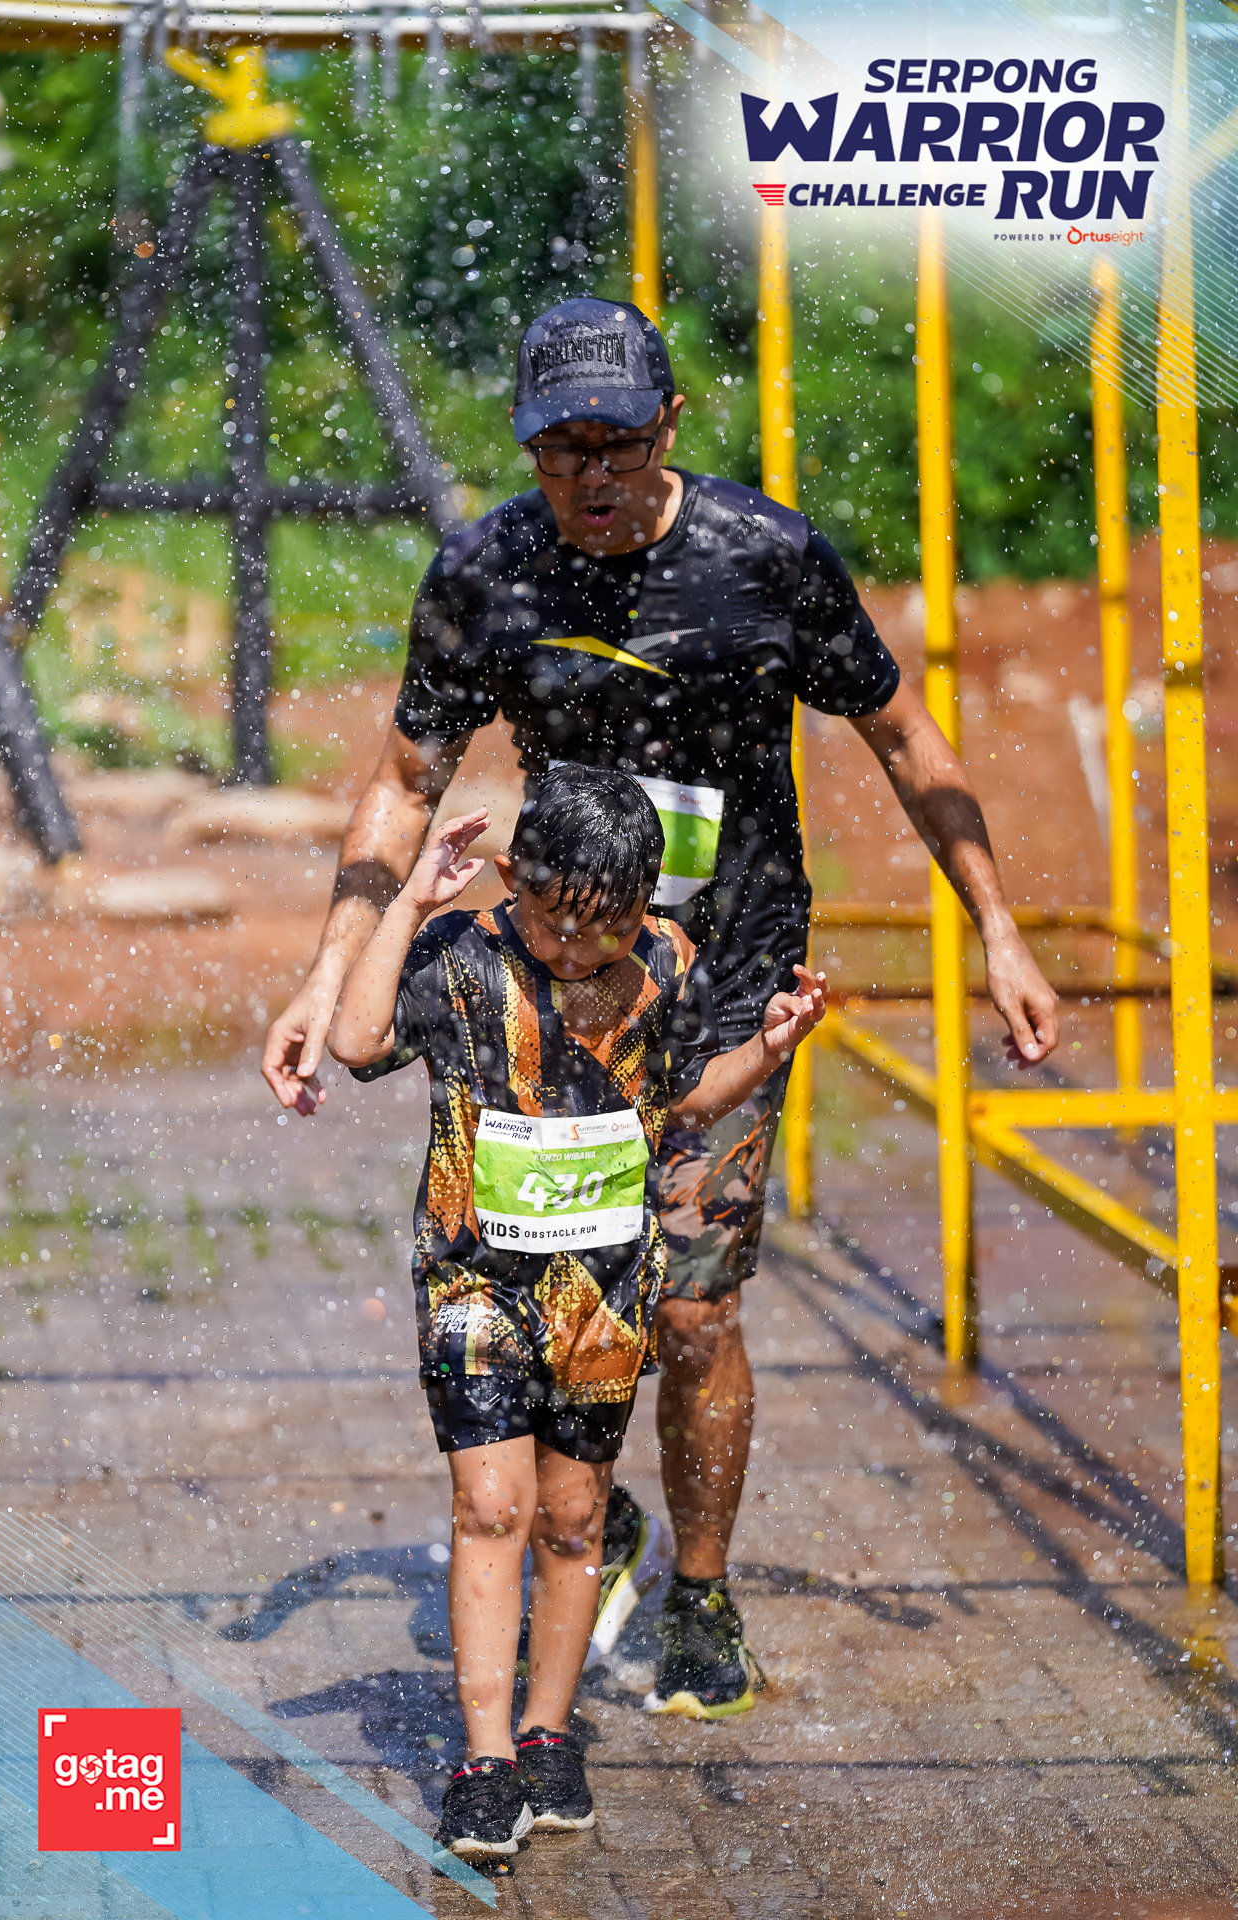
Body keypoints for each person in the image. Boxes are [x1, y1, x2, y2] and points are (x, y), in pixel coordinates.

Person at [264, 296, 1059, 1720]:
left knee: (691, 1309)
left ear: (671, 423)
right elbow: (404, 781)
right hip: (551, 982)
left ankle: (699, 1592)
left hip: (726, 979)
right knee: (534, 1281)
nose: (592, 476)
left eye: (618, 444)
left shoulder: (766, 559)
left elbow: (902, 735)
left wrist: (996, 928)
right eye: (560, 449)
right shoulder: (489, 573)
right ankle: (591, 1514)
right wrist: (326, 973)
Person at [327, 766, 826, 1857]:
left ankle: (549, 1737)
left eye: (603, 932)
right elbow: (356, 1044)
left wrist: (768, 1049)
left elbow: (681, 1097)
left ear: (647, 906)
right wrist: (410, 901)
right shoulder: (461, 955)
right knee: (489, 1507)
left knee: (571, 1519)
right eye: (553, 923)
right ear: (515, 877)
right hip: (473, 1280)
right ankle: (484, 1759)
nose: (572, 950)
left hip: (603, 1292)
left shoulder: (665, 963)